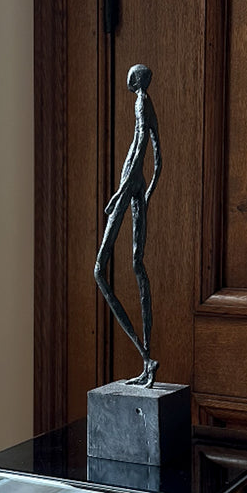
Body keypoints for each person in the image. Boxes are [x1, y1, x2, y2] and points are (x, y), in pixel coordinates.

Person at [94, 64, 162, 387]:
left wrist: (121, 192)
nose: (129, 78)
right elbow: (157, 158)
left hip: (129, 184)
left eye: (132, 75)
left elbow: (138, 153)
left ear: (136, 80)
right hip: (138, 185)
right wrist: (145, 192)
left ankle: (146, 356)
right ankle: (146, 358)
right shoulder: (148, 104)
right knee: (137, 264)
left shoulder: (140, 101)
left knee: (99, 270)